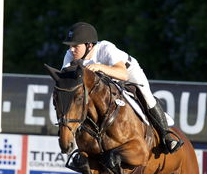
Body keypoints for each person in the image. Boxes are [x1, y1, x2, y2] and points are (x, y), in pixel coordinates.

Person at [61, 22, 183, 154]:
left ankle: (166, 136)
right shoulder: (70, 55)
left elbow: (123, 74)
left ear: (89, 45)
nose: (71, 50)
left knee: (146, 96)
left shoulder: (106, 48)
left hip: (129, 72)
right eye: (70, 46)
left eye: (75, 46)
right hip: (105, 80)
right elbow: (66, 81)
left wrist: (100, 67)